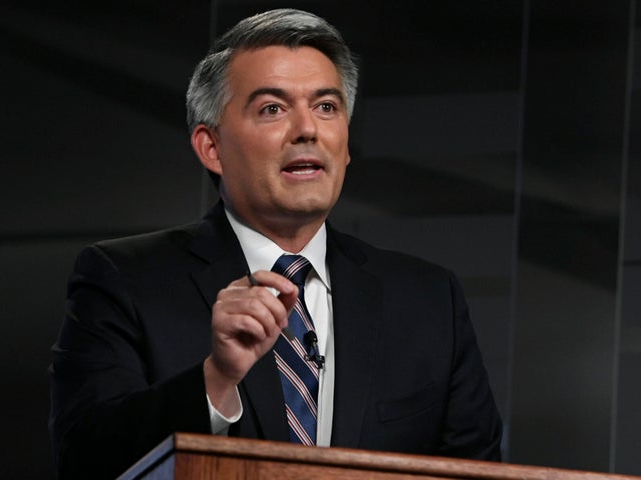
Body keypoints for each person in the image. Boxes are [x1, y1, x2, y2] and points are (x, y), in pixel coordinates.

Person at [49, 8, 502, 479]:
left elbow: (478, 471)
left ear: (345, 146)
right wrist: (216, 379)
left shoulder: (429, 298)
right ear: (211, 147)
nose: (307, 130)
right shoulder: (124, 280)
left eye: (326, 107)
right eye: (273, 108)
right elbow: (84, 462)